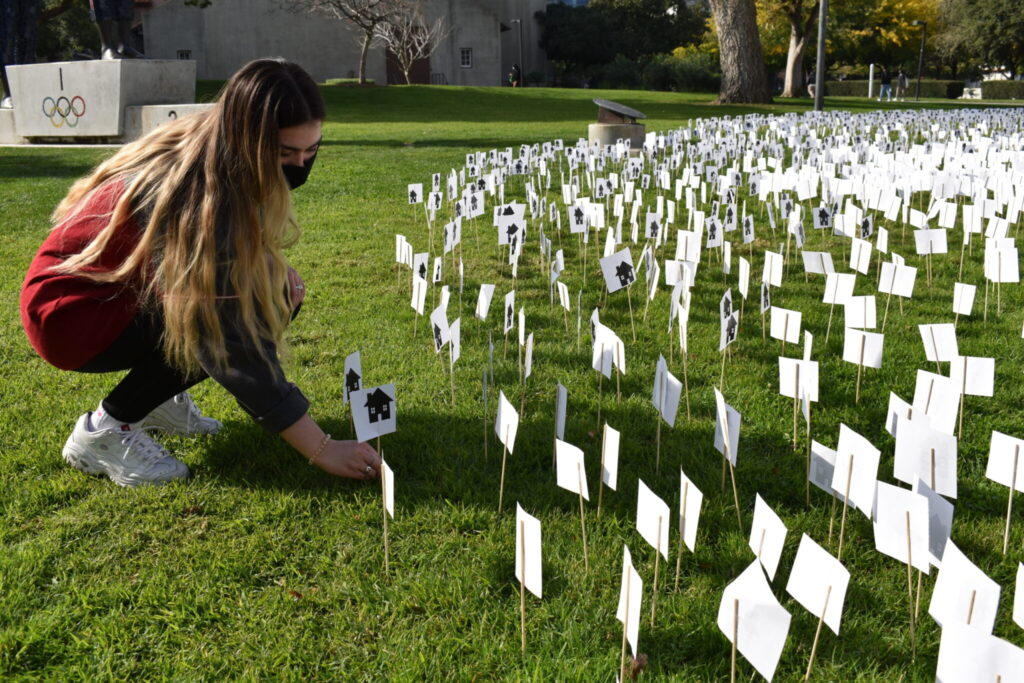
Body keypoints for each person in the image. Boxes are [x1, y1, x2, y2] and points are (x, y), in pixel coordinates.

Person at [20, 58, 382, 487]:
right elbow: (227, 340)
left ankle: (155, 399)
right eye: (286, 153)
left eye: (312, 150)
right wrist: (322, 447)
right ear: (251, 141)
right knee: (237, 308)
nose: (301, 165)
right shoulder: (201, 196)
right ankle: (104, 431)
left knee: (272, 287)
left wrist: (268, 263)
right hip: (73, 317)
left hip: (112, 295)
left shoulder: (218, 141)